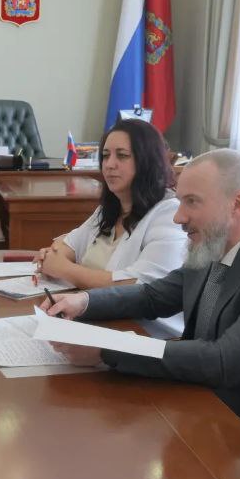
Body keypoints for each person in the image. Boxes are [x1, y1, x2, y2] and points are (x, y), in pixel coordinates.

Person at [42, 149, 240, 421]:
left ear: (237, 204)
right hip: (194, 394)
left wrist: (108, 349)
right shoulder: (214, 243)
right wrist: (84, 301)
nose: (178, 217)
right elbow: (153, 296)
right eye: (180, 201)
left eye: (192, 202)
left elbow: (223, 361)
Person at [32, 119, 187, 337]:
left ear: (147, 161)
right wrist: (54, 258)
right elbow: (66, 246)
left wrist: (63, 269)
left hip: (142, 333)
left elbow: (138, 287)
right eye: (105, 156)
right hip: (96, 322)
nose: (109, 164)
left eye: (122, 156)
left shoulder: (169, 214)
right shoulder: (109, 209)